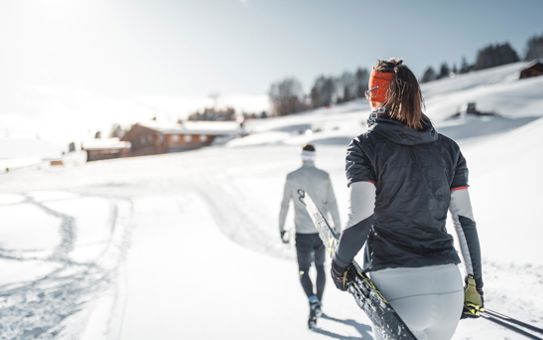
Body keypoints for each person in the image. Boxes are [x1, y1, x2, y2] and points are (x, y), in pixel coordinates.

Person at [330, 59, 484, 340]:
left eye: (369, 93)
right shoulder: (449, 149)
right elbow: (465, 221)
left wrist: (339, 265)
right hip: (448, 289)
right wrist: (476, 284)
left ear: (376, 95)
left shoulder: (364, 146)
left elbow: (361, 217)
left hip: (397, 288)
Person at [279, 144, 341, 327]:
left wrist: (281, 228)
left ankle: (312, 300)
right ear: (313, 157)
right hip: (322, 232)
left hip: (302, 232)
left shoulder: (292, 177)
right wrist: (337, 228)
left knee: (303, 270)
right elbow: (333, 204)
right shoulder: (324, 176)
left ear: (302, 156)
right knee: (321, 267)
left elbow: (284, 205)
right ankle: (318, 303)